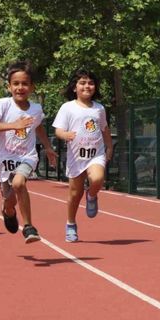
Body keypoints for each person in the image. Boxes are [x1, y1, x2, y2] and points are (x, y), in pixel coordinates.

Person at [0, 61, 57, 243]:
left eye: (25, 83)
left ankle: (29, 227)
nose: (20, 87)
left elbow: (38, 127)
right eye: (16, 84)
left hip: (27, 156)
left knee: (19, 183)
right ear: (9, 86)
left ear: (32, 87)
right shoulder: (3, 104)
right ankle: (8, 211)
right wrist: (13, 125)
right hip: (6, 159)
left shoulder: (36, 109)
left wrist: (48, 147)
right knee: (10, 201)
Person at [53, 69, 113, 243]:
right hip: (76, 156)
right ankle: (71, 223)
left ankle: (92, 195)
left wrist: (109, 146)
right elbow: (57, 130)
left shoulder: (99, 108)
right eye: (82, 83)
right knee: (74, 194)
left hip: (95, 154)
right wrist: (65, 135)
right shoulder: (67, 107)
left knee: (97, 178)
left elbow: (104, 129)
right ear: (74, 87)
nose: (87, 86)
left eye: (91, 83)